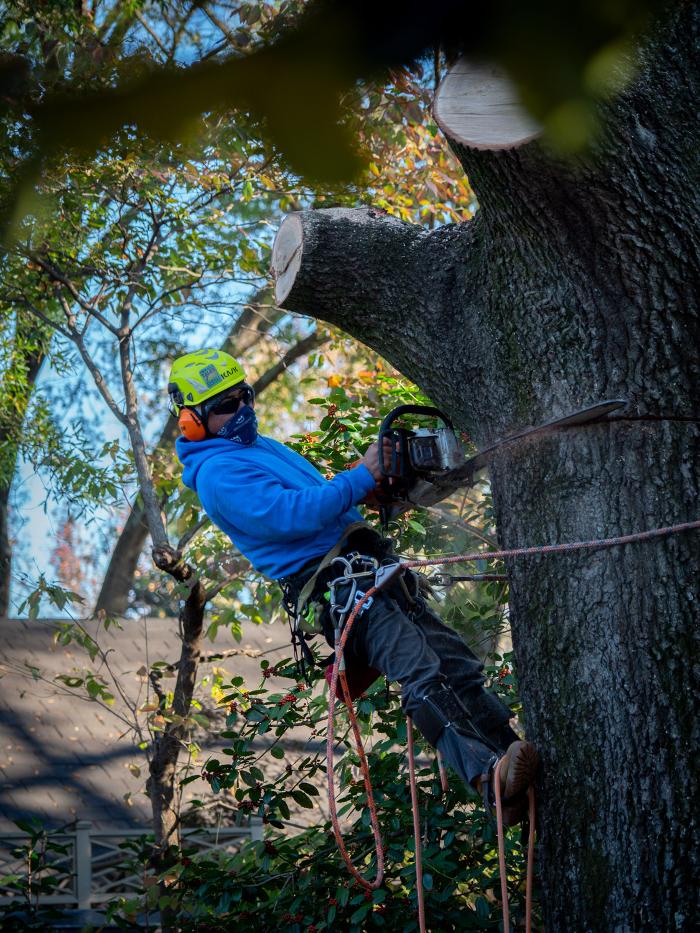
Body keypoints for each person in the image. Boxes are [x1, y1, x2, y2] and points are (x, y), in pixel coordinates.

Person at [168, 348, 538, 824]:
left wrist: (370, 490)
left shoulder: (255, 448)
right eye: (225, 405)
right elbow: (290, 515)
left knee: (457, 663)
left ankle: (512, 755)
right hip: (334, 589)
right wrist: (360, 475)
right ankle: (487, 779)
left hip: (368, 569)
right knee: (420, 669)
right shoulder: (219, 474)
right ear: (193, 421)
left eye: (244, 396)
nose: (241, 409)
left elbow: (319, 503)